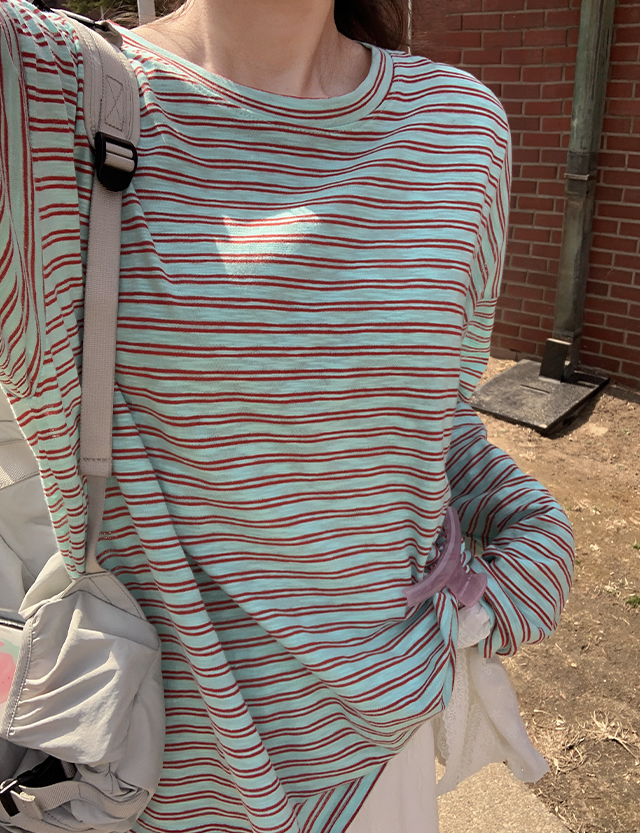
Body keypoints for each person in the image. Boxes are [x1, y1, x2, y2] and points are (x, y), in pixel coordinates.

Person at [0, 0, 574, 831]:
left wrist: (520, 555)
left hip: (378, 770)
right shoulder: (42, 89)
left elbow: (435, 422)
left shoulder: (461, 125)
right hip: (137, 782)